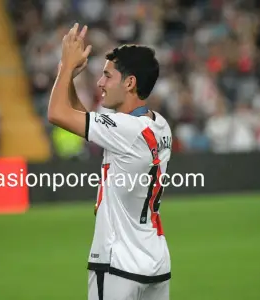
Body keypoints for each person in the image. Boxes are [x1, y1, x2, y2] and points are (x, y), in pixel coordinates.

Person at [48, 23, 172, 300]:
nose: (100, 83)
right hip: (155, 261)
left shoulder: (124, 129)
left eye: (107, 76)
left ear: (130, 83)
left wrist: (65, 68)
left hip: (118, 265)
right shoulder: (159, 126)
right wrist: (70, 80)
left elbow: (57, 113)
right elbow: (91, 124)